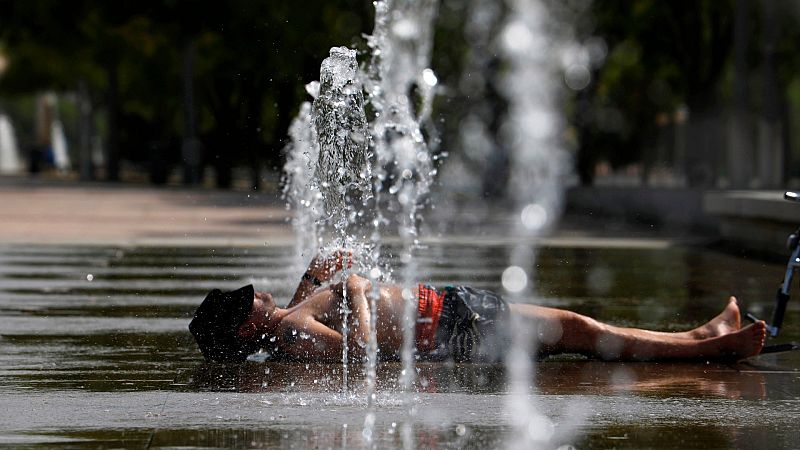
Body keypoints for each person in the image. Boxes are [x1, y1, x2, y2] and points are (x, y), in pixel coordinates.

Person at [189, 251, 766, 363]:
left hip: (447, 310)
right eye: (251, 299)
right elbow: (358, 353)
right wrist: (358, 290)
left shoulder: (286, 326)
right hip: (450, 324)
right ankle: (706, 345)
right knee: (578, 330)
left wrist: (316, 273)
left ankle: (700, 337)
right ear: (246, 322)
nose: (259, 293)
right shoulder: (291, 331)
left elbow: (303, 315)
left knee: (576, 330)